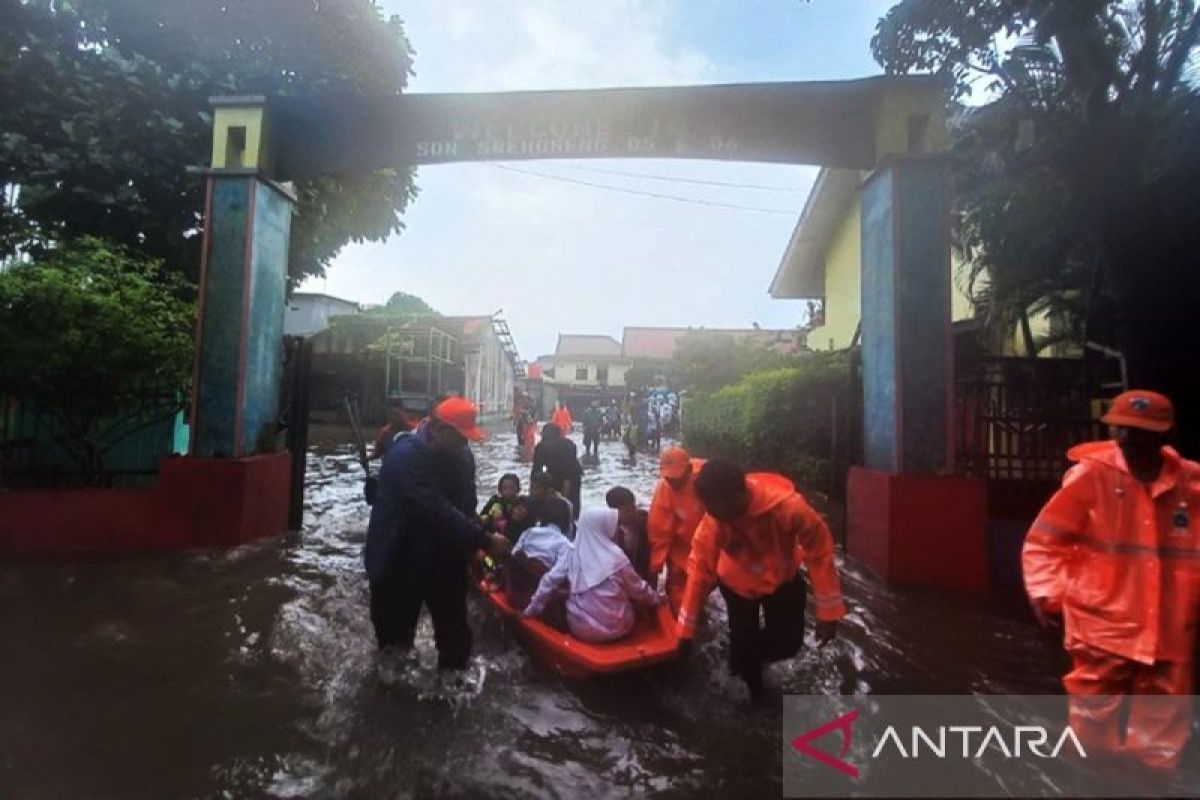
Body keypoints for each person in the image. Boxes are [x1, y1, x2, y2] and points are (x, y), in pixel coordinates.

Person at [1022, 390, 1200, 770]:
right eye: (1127, 431)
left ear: (1167, 434)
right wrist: (1046, 592)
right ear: (1115, 431)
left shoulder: (1192, 484)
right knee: (1091, 724)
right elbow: (1046, 540)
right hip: (1102, 622)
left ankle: (1148, 786)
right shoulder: (1092, 475)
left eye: (1145, 433)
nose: (1134, 441)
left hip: (1170, 627)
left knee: (1160, 733)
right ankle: (1089, 781)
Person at [676, 460, 846, 698]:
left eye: (712, 507)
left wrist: (828, 613)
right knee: (743, 660)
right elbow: (698, 571)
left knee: (788, 644)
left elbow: (820, 552)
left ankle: (748, 657)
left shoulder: (790, 509)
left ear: (736, 497)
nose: (708, 513)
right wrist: (685, 632)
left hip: (783, 579)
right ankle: (750, 682)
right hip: (737, 586)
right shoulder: (713, 524)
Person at [364, 397, 509, 669]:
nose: (465, 444)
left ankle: (452, 696)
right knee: (393, 646)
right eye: (461, 438)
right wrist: (486, 540)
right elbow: (434, 508)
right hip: (398, 558)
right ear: (440, 430)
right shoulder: (404, 456)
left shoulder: (462, 456)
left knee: (456, 642)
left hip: (443, 557)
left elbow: (466, 503)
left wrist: (473, 550)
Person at [524, 508, 662, 643]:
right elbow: (638, 589)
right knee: (627, 594)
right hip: (619, 627)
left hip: (581, 628)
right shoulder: (616, 557)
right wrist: (657, 599)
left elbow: (548, 581)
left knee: (569, 595)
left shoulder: (571, 554)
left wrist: (531, 610)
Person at [647, 448, 706, 611]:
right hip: (680, 547)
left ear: (688, 470)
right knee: (677, 589)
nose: (672, 482)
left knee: (704, 585)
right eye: (667, 477)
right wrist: (656, 566)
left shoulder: (706, 478)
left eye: (676, 478)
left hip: (708, 545)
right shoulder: (664, 490)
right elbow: (659, 531)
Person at [504, 496, 574, 610]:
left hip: (512, 592)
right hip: (535, 598)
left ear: (542, 517)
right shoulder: (566, 545)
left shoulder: (529, 532)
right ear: (567, 521)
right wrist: (532, 609)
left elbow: (513, 558)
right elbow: (552, 579)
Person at [532, 422, 583, 521]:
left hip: (565, 476)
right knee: (570, 507)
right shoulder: (569, 444)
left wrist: (534, 491)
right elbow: (537, 470)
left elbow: (536, 470)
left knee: (562, 505)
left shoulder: (541, 447)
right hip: (567, 476)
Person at [605, 486, 650, 580]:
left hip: (645, 570)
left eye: (633, 506)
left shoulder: (645, 520)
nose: (633, 513)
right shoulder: (608, 529)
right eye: (627, 511)